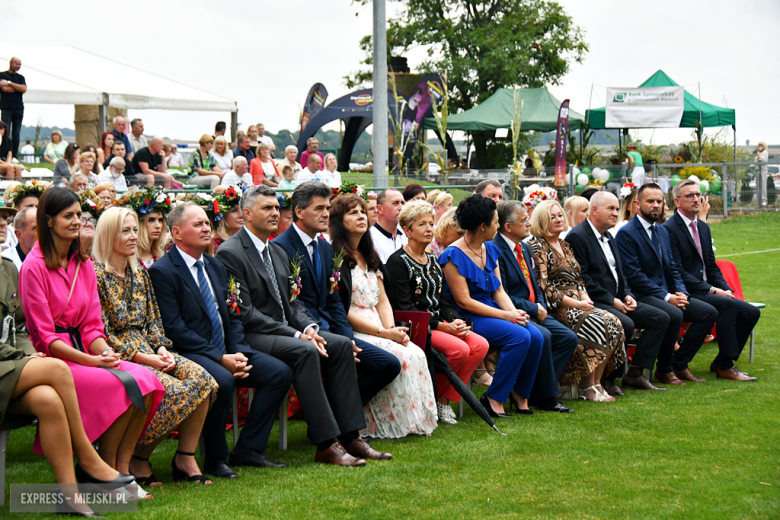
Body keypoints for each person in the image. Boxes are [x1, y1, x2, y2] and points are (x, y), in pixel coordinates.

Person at [215, 185, 390, 466]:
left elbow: (293, 304)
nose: (275, 213)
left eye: (276, 207)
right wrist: (297, 334)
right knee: (305, 351)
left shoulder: (276, 251)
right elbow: (245, 312)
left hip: (288, 333)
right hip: (254, 336)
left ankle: (350, 435)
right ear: (246, 214)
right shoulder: (230, 252)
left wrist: (310, 329)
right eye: (267, 208)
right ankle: (325, 443)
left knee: (342, 344)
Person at [19, 187, 164, 493]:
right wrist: (95, 361)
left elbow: (91, 328)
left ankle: (119, 469)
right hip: (56, 362)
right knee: (119, 383)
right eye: (67, 216)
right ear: (48, 221)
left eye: (79, 215)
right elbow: (45, 340)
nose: (76, 221)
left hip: (87, 351)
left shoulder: (83, 264)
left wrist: (107, 354)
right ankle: (98, 468)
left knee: (148, 380)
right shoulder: (33, 267)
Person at [149, 202, 293, 478]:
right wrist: (220, 358)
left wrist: (237, 350)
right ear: (177, 233)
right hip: (190, 351)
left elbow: (234, 313)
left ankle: (249, 448)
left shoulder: (215, 266)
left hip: (226, 349)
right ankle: (215, 458)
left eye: (207, 223)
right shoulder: (163, 271)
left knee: (279, 372)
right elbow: (175, 329)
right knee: (222, 380)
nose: (207, 228)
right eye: (198, 224)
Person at [92, 207, 218, 485]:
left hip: (151, 348)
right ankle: (139, 456)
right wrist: (145, 358)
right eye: (124, 231)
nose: (132, 236)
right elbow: (100, 331)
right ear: (108, 234)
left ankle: (185, 456)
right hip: (120, 353)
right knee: (174, 390)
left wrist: (161, 349)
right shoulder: (97, 275)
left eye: (134, 230)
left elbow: (154, 320)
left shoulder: (140, 274)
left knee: (204, 381)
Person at [275, 184, 401, 409]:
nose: (326, 213)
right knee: (375, 360)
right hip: (304, 331)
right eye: (319, 208)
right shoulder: (281, 248)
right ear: (300, 212)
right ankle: (343, 429)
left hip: (332, 329)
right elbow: (290, 303)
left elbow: (334, 301)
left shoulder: (324, 248)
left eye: (327, 208)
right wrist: (321, 333)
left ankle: (338, 415)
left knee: (389, 364)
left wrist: (347, 337)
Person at [327, 194, 437, 437]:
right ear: (338, 221)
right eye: (353, 213)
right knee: (400, 358)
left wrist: (392, 330)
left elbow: (383, 299)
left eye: (362, 212)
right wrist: (383, 333)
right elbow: (341, 310)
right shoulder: (335, 257)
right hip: (354, 327)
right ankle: (365, 418)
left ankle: (409, 421)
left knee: (414, 352)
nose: (361, 217)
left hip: (379, 324)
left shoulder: (369, 254)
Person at [386, 200, 490, 423]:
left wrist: (457, 322)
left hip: (441, 324)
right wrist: (443, 326)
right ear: (407, 230)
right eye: (422, 224)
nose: (429, 229)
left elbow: (443, 300)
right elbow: (405, 308)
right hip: (417, 327)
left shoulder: (433, 259)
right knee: (460, 350)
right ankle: (433, 399)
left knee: (480, 345)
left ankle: (443, 400)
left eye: (431, 224)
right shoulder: (397, 262)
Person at [440, 195, 543, 417]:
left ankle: (519, 394)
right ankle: (494, 397)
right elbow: (463, 301)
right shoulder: (452, 255)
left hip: (493, 311)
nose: (498, 226)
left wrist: (513, 312)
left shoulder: (490, 249)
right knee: (520, 337)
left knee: (536, 336)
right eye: (496, 222)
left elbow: (498, 290)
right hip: (468, 316)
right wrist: (506, 316)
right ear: (482, 226)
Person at [566, 192, 672, 392]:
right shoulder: (578, 237)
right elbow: (583, 279)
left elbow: (620, 274)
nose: (616, 213)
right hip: (594, 300)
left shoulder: (609, 235)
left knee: (660, 318)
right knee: (626, 323)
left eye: (617, 209)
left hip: (616, 299)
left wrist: (627, 295)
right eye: (611, 209)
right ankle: (608, 378)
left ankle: (635, 373)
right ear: (594, 210)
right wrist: (612, 300)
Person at [615, 183, 718, 386]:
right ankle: (660, 369)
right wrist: (667, 297)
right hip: (640, 294)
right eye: (650, 201)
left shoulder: (661, 231)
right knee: (673, 314)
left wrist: (680, 292)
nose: (656, 205)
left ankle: (679, 363)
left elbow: (672, 268)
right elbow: (634, 276)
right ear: (637, 204)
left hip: (664, 292)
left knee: (708, 313)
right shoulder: (627, 233)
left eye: (659, 201)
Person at [528, 199, 626, 402]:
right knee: (597, 323)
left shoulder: (564, 244)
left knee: (613, 321)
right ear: (542, 220)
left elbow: (579, 279)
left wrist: (585, 299)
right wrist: (577, 304)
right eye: (551, 216)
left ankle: (597, 382)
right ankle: (586, 385)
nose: (557, 219)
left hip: (579, 302)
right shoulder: (537, 246)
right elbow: (545, 287)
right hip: (558, 307)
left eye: (559, 215)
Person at [663, 179, 761, 382]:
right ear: (677, 201)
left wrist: (726, 288)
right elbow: (678, 272)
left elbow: (712, 266)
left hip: (706, 289)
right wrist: (713, 290)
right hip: (685, 290)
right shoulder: (669, 229)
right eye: (690, 195)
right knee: (725, 306)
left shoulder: (703, 227)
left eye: (698, 195)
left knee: (751, 312)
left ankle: (721, 360)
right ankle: (725, 367)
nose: (696, 199)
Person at [493, 201, 578, 412]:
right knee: (546, 336)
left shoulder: (523, 247)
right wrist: (533, 309)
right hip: (515, 311)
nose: (529, 224)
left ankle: (534, 389)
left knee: (568, 338)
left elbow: (535, 283)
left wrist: (540, 306)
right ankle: (547, 396)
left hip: (535, 308)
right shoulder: (496, 249)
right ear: (508, 227)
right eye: (524, 220)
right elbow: (502, 293)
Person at [369, 189, 407, 263]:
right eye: (395, 203)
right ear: (380, 209)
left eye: (402, 203)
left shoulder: (405, 233)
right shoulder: (371, 237)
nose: (401, 208)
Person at [0, 57, 26, 159]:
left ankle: (14, 155)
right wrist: (17, 88)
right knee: (5, 131)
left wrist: (10, 83)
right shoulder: (2, 75)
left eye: (20, 65)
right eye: (17, 64)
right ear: (11, 63)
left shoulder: (21, 77)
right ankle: (4, 154)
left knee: (16, 133)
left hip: (18, 108)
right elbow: (4, 88)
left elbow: (24, 89)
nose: (18, 67)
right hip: (6, 108)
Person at [757, 141, 769, 206]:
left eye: (760, 146)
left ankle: (764, 200)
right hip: (759, 171)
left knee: (763, 186)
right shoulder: (761, 153)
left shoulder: (765, 152)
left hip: (763, 171)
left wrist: (758, 153)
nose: (758, 147)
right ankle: (760, 200)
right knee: (759, 186)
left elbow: (760, 160)